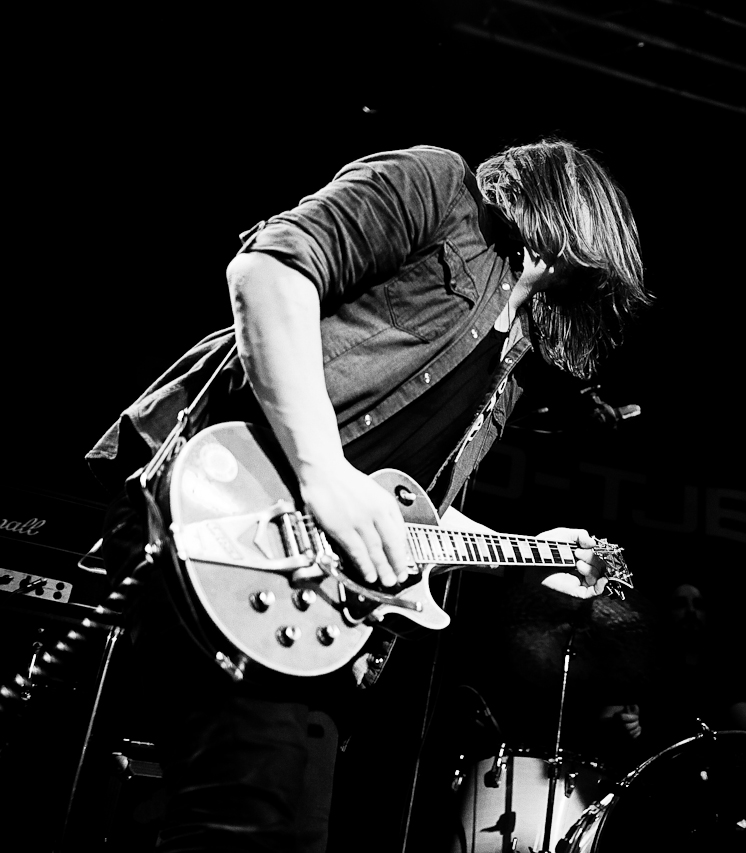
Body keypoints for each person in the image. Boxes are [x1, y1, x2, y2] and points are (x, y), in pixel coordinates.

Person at [83, 138, 649, 852]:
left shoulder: (512, 362)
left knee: (291, 828)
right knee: (245, 812)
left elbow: (412, 512)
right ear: (579, 215)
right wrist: (323, 470)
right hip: (223, 505)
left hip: (312, 590)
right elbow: (269, 270)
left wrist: (532, 555)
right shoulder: (439, 189)